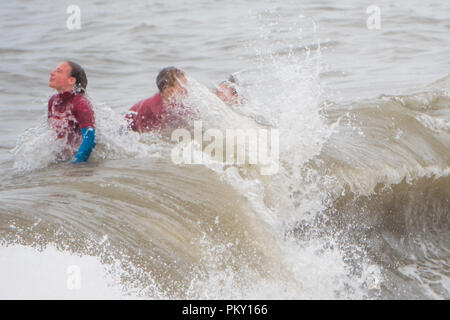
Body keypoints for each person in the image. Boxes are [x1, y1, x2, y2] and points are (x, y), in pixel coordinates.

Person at [48, 61, 96, 163]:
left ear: (71, 80)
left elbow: (90, 137)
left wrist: (75, 164)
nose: (52, 73)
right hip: (63, 158)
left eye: (59, 71)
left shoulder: (80, 104)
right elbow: (53, 134)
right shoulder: (53, 101)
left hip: (81, 161)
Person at [125, 66, 190, 133]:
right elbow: (148, 138)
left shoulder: (174, 102)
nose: (187, 90)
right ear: (167, 89)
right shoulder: (154, 109)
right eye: (182, 87)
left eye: (186, 86)